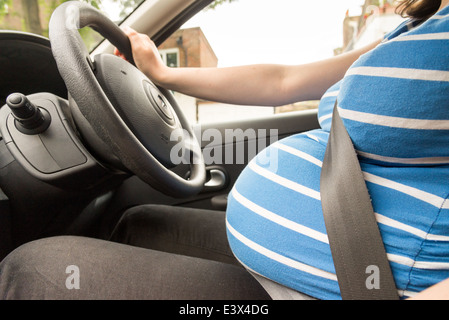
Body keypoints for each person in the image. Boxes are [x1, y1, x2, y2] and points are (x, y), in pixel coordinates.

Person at [1, 0, 449, 300]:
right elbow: (285, 82)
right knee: (137, 222)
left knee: (31, 270)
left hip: (360, 285)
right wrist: (165, 75)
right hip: (315, 263)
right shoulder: (419, 26)